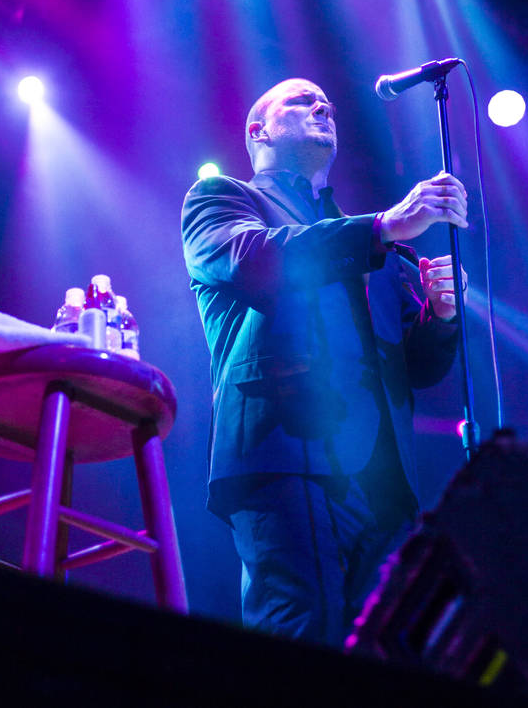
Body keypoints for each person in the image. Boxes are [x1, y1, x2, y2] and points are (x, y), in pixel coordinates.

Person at [181, 78, 468, 647]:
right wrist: (382, 226)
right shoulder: (222, 201)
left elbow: (415, 366)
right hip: (283, 455)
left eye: (328, 101)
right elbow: (254, 260)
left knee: (386, 653)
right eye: (302, 100)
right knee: (300, 633)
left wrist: (440, 316)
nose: (323, 105)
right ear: (258, 129)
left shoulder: (377, 243)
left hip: (384, 479)